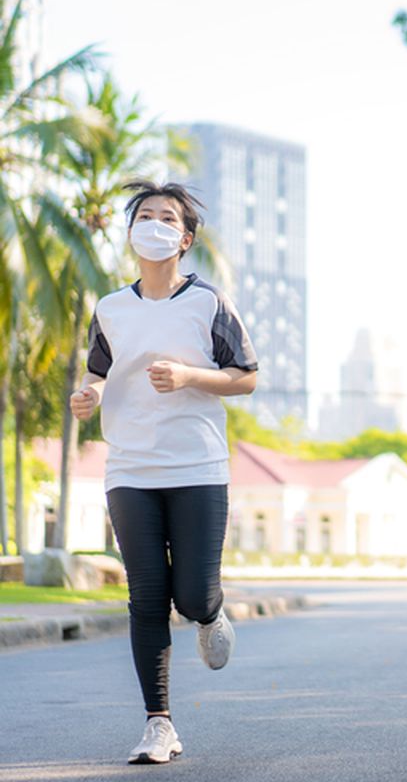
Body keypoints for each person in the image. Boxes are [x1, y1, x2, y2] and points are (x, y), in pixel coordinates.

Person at [70, 181, 258, 764]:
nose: (153, 224)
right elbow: (101, 368)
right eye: (143, 216)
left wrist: (188, 377)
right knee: (146, 596)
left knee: (192, 593)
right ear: (131, 234)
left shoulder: (209, 302)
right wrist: (90, 394)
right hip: (129, 465)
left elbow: (246, 375)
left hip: (198, 464)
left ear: (185, 237)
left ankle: (209, 610)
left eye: (166, 217)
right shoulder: (111, 307)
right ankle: (160, 724)